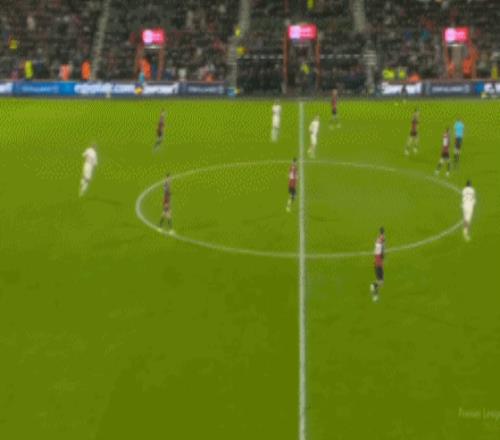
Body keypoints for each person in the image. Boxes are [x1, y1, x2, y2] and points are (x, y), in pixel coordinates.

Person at [370, 227, 385, 302]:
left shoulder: (377, 243)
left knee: (380, 282)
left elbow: (380, 240)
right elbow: (381, 255)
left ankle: (375, 293)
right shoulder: (379, 247)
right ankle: (374, 288)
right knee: (380, 282)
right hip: (378, 265)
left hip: (377, 264)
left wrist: (381, 234)